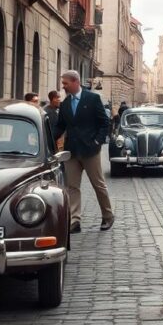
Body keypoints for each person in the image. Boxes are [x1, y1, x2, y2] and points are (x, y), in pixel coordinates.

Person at [54, 70, 114, 233]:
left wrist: (97, 142)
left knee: (98, 185)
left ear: (75, 82)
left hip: (90, 151)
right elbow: (60, 127)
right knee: (72, 187)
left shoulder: (92, 99)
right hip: (72, 152)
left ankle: (107, 216)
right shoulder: (65, 104)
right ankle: (75, 220)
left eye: (65, 83)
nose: (63, 86)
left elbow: (104, 123)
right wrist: (47, 139)